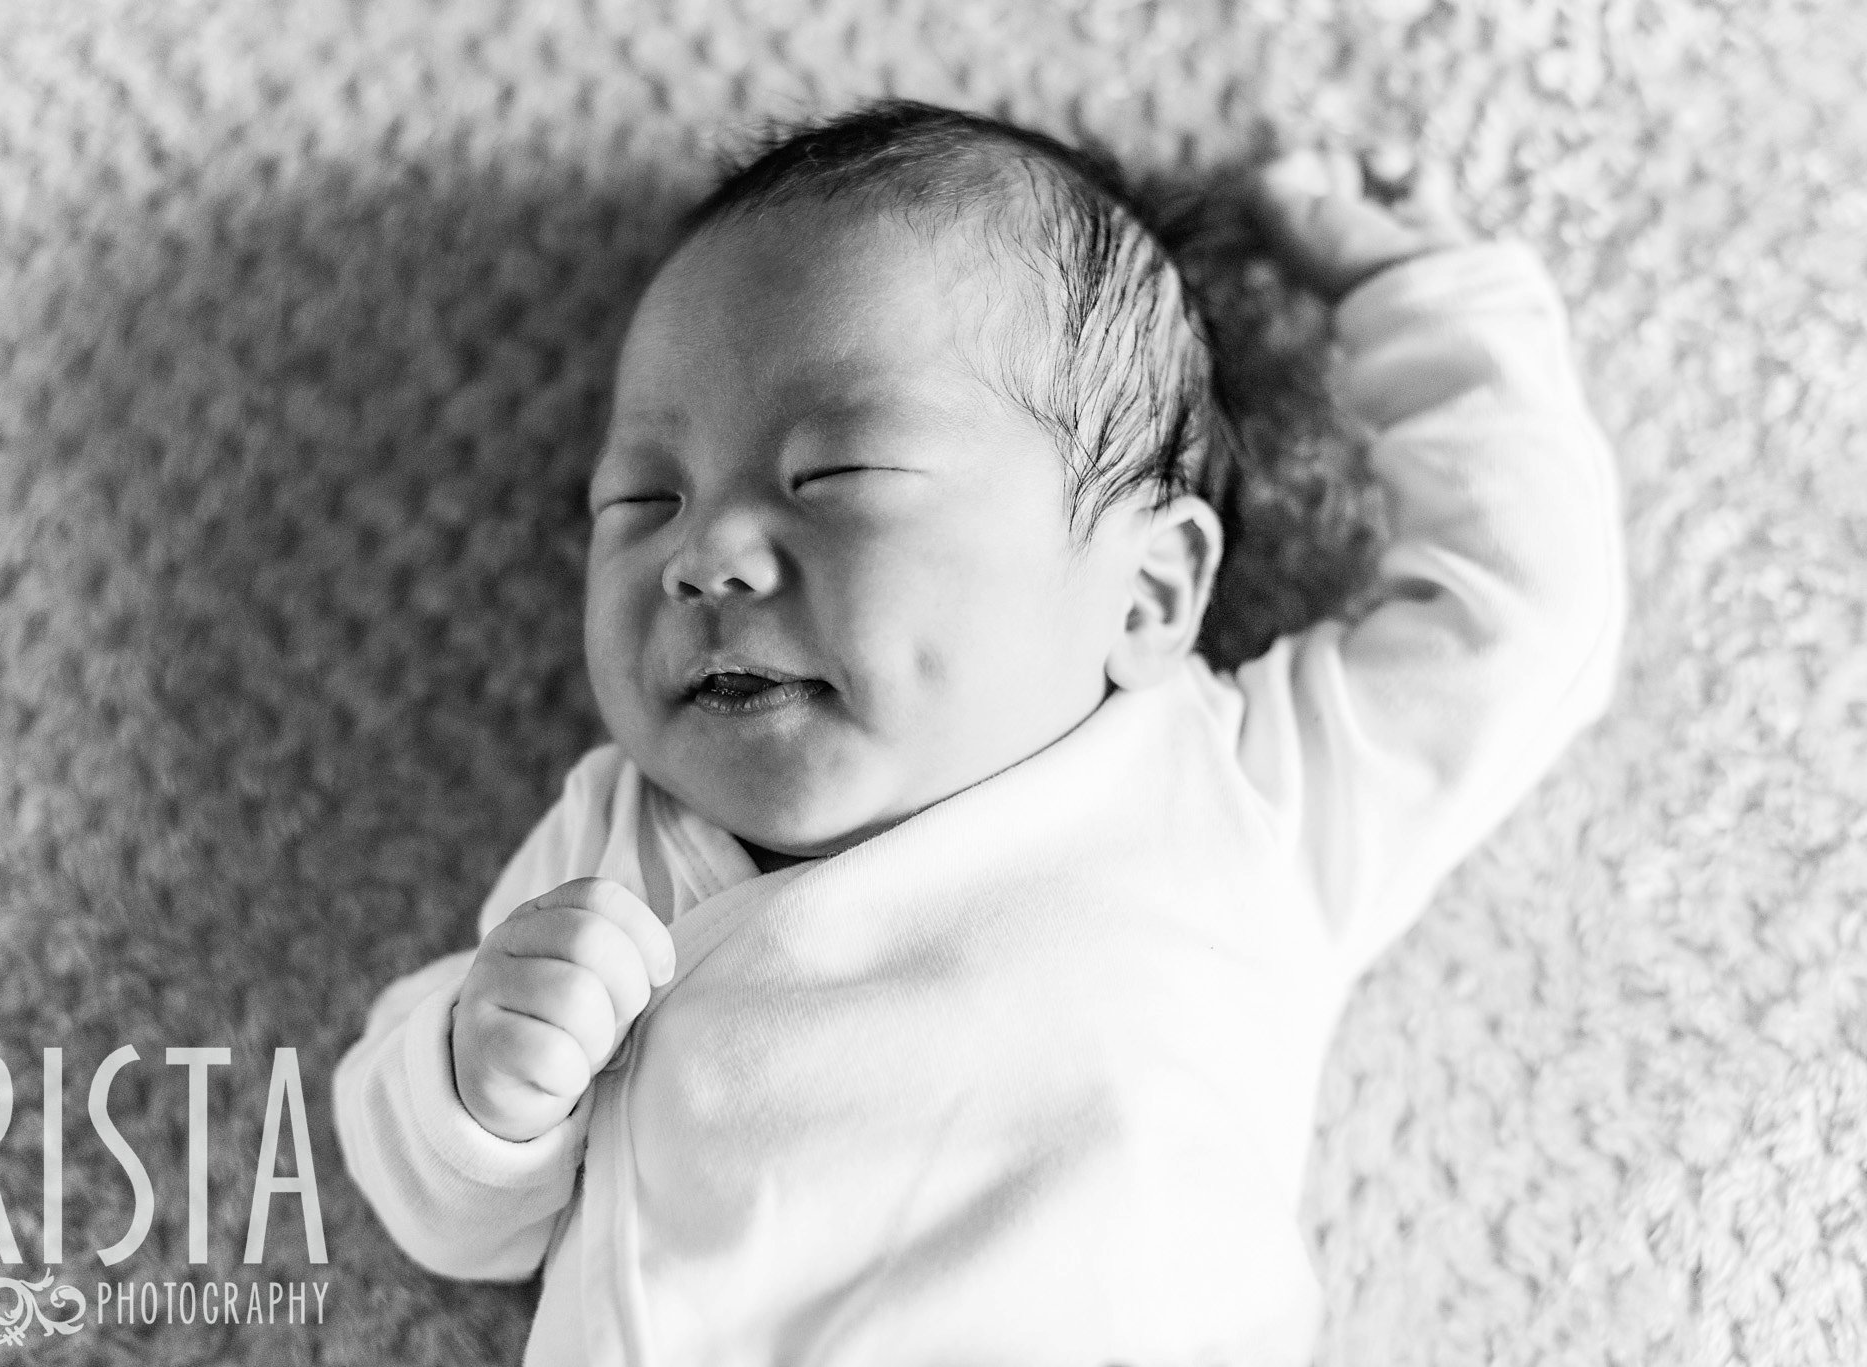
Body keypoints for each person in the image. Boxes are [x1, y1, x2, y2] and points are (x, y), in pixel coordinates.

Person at [334, 100, 1625, 1364]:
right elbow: (451, 1223)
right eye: (641, 498)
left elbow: (1517, 614)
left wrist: (1430, 303)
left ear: (1151, 590)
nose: (705, 556)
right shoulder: (618, 841)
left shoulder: (1241, 796)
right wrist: (482, 1077)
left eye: (835, 476)